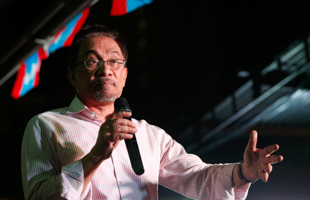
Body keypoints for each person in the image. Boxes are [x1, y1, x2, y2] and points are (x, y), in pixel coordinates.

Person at [21, 24, 283, 200]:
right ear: (72, 76)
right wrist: (95, 156)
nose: (105, 69)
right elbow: (40, 196)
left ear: (123, 76)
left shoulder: (149, 135)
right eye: (92, 61)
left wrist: (243, 173)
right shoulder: (45, 125)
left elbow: (197, 178)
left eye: (114, 61)